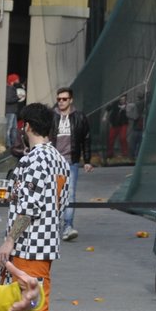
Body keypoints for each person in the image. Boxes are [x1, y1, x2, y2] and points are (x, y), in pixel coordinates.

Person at [0, 101, 71, 311]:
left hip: (31, 245)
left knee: (35, 310)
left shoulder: (34, 159)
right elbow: (56, 203)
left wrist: (10, 238)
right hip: (46, 240)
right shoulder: (58, 159)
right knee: (24, 308)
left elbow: (31, 206)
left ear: (26, 126)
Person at [52, 87, 92, 241]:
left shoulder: (80, 117)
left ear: (71, 100)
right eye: (59, 99)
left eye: (64, 99)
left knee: (70, 195)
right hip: (53, 162)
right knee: (54, 195)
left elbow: (86, 139)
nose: (61, 102)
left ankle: (68, 226)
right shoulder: (51, 116)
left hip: (71, 162)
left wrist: (87, 161)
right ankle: (54, 226)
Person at [4, 73, 27, 151]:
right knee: (9, 128)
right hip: (10, 111)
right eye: (16, 80)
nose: (18, 81)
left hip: (12, 111)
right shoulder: (9, 88)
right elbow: (8, 99)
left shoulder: (10, 88)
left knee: (14, 128)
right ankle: (9, 144)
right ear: (13, 80)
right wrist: (17, 98)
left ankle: (13, 144)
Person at [106, 96, 131, 162]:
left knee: (122, 137)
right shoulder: (115, 104)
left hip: (123, 124)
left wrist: (126, 107)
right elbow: (108, 108)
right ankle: (110, 153)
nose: (123, 101)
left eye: (124, 99)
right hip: (114, 124)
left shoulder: (127, 105)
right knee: (111, 138)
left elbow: (130, 110)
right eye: (121, 99)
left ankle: (125, 153)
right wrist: (104, 116)